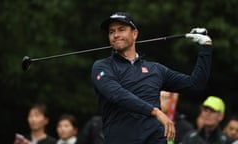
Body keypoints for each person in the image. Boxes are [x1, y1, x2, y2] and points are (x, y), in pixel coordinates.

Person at [91, 11, 213, 144]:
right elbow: (116, 94)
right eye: (111, 32)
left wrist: (206, 47)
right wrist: (155, 112)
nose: (116, 35)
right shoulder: (102, 67)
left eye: (121, 30)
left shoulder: (155, 69)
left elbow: (195, 84)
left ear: (134, 34)